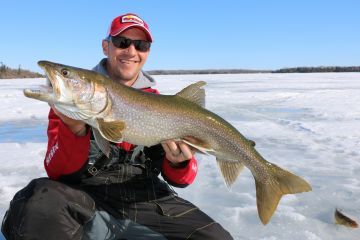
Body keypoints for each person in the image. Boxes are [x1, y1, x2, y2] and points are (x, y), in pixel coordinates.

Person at [1, 13, 233, 240]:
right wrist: (75, 130)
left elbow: (182, 179)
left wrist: (178, 161)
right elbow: (57, 171)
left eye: (141, 45)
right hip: (87, 199)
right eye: (122, 42)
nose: (131, 51)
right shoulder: (68, 106)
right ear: (106, 46)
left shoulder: (164, 106)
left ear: (147, 52)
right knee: (36, 203)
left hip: (148, 201)